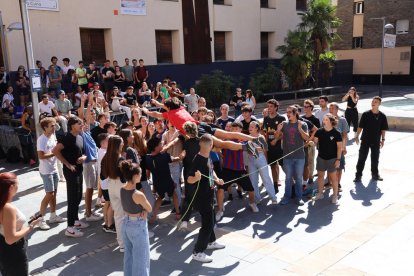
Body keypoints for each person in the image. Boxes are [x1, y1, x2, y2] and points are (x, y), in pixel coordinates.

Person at [187, 134, 225, 263]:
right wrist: (196, 178)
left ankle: (211, 241)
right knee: (208, 224)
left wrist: (217, 179)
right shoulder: (198, 160)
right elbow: (189, 179)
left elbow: (211, 171)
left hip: (209, 194)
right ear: (210, 145)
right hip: (202, 197)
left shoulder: (206, 157)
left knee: (211, 219)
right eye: (213, 143)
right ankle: (197, 252)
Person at [52, 116, 89, 237]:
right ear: (73, 125)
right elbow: (55, 151)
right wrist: (67, 164)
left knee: (78, 196)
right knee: (72, 198)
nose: (82, 125)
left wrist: (83, 157)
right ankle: (70, 227)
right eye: (80, 124)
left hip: (79, 169)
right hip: (71, 172)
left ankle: (75, 220)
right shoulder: (66, 138)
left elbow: (82, 152)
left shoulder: (80, 137)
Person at [0, 173, 41, 276]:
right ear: (11, 187)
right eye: (17, 184)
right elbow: (10, 239)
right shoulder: (8, 208)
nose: (18, 186)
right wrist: (30, 227)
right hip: (13, 252)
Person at [119, 160, 152, 276]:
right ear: (136, 176)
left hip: (126, 224)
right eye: (140, 174)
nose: (141, 176)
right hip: (137, 226)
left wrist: (143, 210)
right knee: (141, 260)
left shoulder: (122, 189)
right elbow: (149, 208)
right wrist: (144, 210)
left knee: (129, 256)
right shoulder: (138, 194)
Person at [36, 117, 66, 230]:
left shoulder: (53, 136)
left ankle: (53, 216)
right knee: (50, 194)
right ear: (45, 128)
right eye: (52, 126)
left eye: (54, 125)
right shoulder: (41, 140)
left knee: (54, 194)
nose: (54, 127)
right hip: (46, 171)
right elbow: (41, 156)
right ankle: (39, 219)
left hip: (54, 169)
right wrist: (55, 153)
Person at [275, 105, 309, 205]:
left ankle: (299, 197)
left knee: (299, 178)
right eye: (287, 112)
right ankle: (286, 197)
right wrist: (278, 129)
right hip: (287, 157)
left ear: (295, 113)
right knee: (288, 178)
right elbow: (277, 137)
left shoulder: (302, 124)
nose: (287, 114)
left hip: (299, 157)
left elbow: (306, 138)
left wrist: (300, 129)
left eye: (290, 112)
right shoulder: (284, 124)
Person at [145, 137, 181, 223]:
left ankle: (154, 217)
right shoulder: (164, 156)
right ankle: (178, 212)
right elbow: (175, 159)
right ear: (156, 147)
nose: (162, 145)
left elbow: (148, 172)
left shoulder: (147, 158)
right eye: (160, 144)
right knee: (174, 194)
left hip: (157, 182)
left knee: (160, 198)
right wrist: (182, 155)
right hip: (167, 181)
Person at [101, 135, 126, 251]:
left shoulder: (105, 158)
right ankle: (124, 244)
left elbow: (102, 176)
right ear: (118, 145)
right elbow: (123, 179)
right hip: (120, 186)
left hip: (111, 185)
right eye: (121, 143)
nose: (123, 144)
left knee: (118, 215)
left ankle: (121, 243)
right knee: (124, 216)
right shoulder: (120, 159)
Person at [354, 96, 388, 182]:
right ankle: (358, 175)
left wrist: (383, 139)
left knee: (375, 159)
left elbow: (383, 129)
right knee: (361, 158)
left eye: (375, 102)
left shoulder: (382, 116)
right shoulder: (366, 114)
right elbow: (360, 126)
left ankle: (375, 175)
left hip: (376, 141)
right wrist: (357, 136)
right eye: (372, 101)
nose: (373, 103)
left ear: (379, 104)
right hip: (365, 140)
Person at [312, 114, 343, 204]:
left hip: (332, 159)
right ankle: (320, 193)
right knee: (320, 177)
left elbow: (339, 148)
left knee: (334, 178)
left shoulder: (336, 133)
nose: (324, 121)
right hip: (321, 157)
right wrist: (312, 142)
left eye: (326, 120)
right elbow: (315, 142)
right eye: (323, 120)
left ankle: (335, 196)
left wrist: (338, 159)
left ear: (331, 121)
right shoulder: (319, 131)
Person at [248, 121, 278, 204]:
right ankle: (256, 198)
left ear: (257, 128)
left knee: (266, 178)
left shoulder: (261, 137)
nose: (250, 128)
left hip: (261, 159)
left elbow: (265, 150)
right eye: (249, 126)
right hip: (251, 160)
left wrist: (266, 160)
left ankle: (273, 197)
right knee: (253, 180)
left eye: (252, 126)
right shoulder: (247, 137)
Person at [262, 99, 286, 192]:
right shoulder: (266, 118)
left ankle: (292, 185)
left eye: (271, 106)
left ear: (276, 107)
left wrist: (276, 140)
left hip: (279, 146)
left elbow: (284, 133)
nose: (269, 108)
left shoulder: (281, 118)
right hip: (270, 146)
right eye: (268, 106)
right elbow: (265, 132)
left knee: (284, 166)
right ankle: (275, 185)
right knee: (272, 166)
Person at [97, 133, 116, 233]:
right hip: (107, 182)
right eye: (109, 140)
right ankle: (109, 225)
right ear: (104, 142)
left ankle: (106, 221)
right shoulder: (105, 153)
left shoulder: (101, 151)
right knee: (112, 203)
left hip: (104, 182)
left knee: (108, 202)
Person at [328, 102, 349, 191]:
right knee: (330, 167)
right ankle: (331, 183)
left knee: (339, 167)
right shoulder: (327, 119)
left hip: (339, 148)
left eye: (333, 108)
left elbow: (345, 135)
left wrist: (344, 147)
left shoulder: (342, 120)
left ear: (337, 109)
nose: (331, 109)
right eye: (330, 108)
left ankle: (337, 184)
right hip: (328, 147)